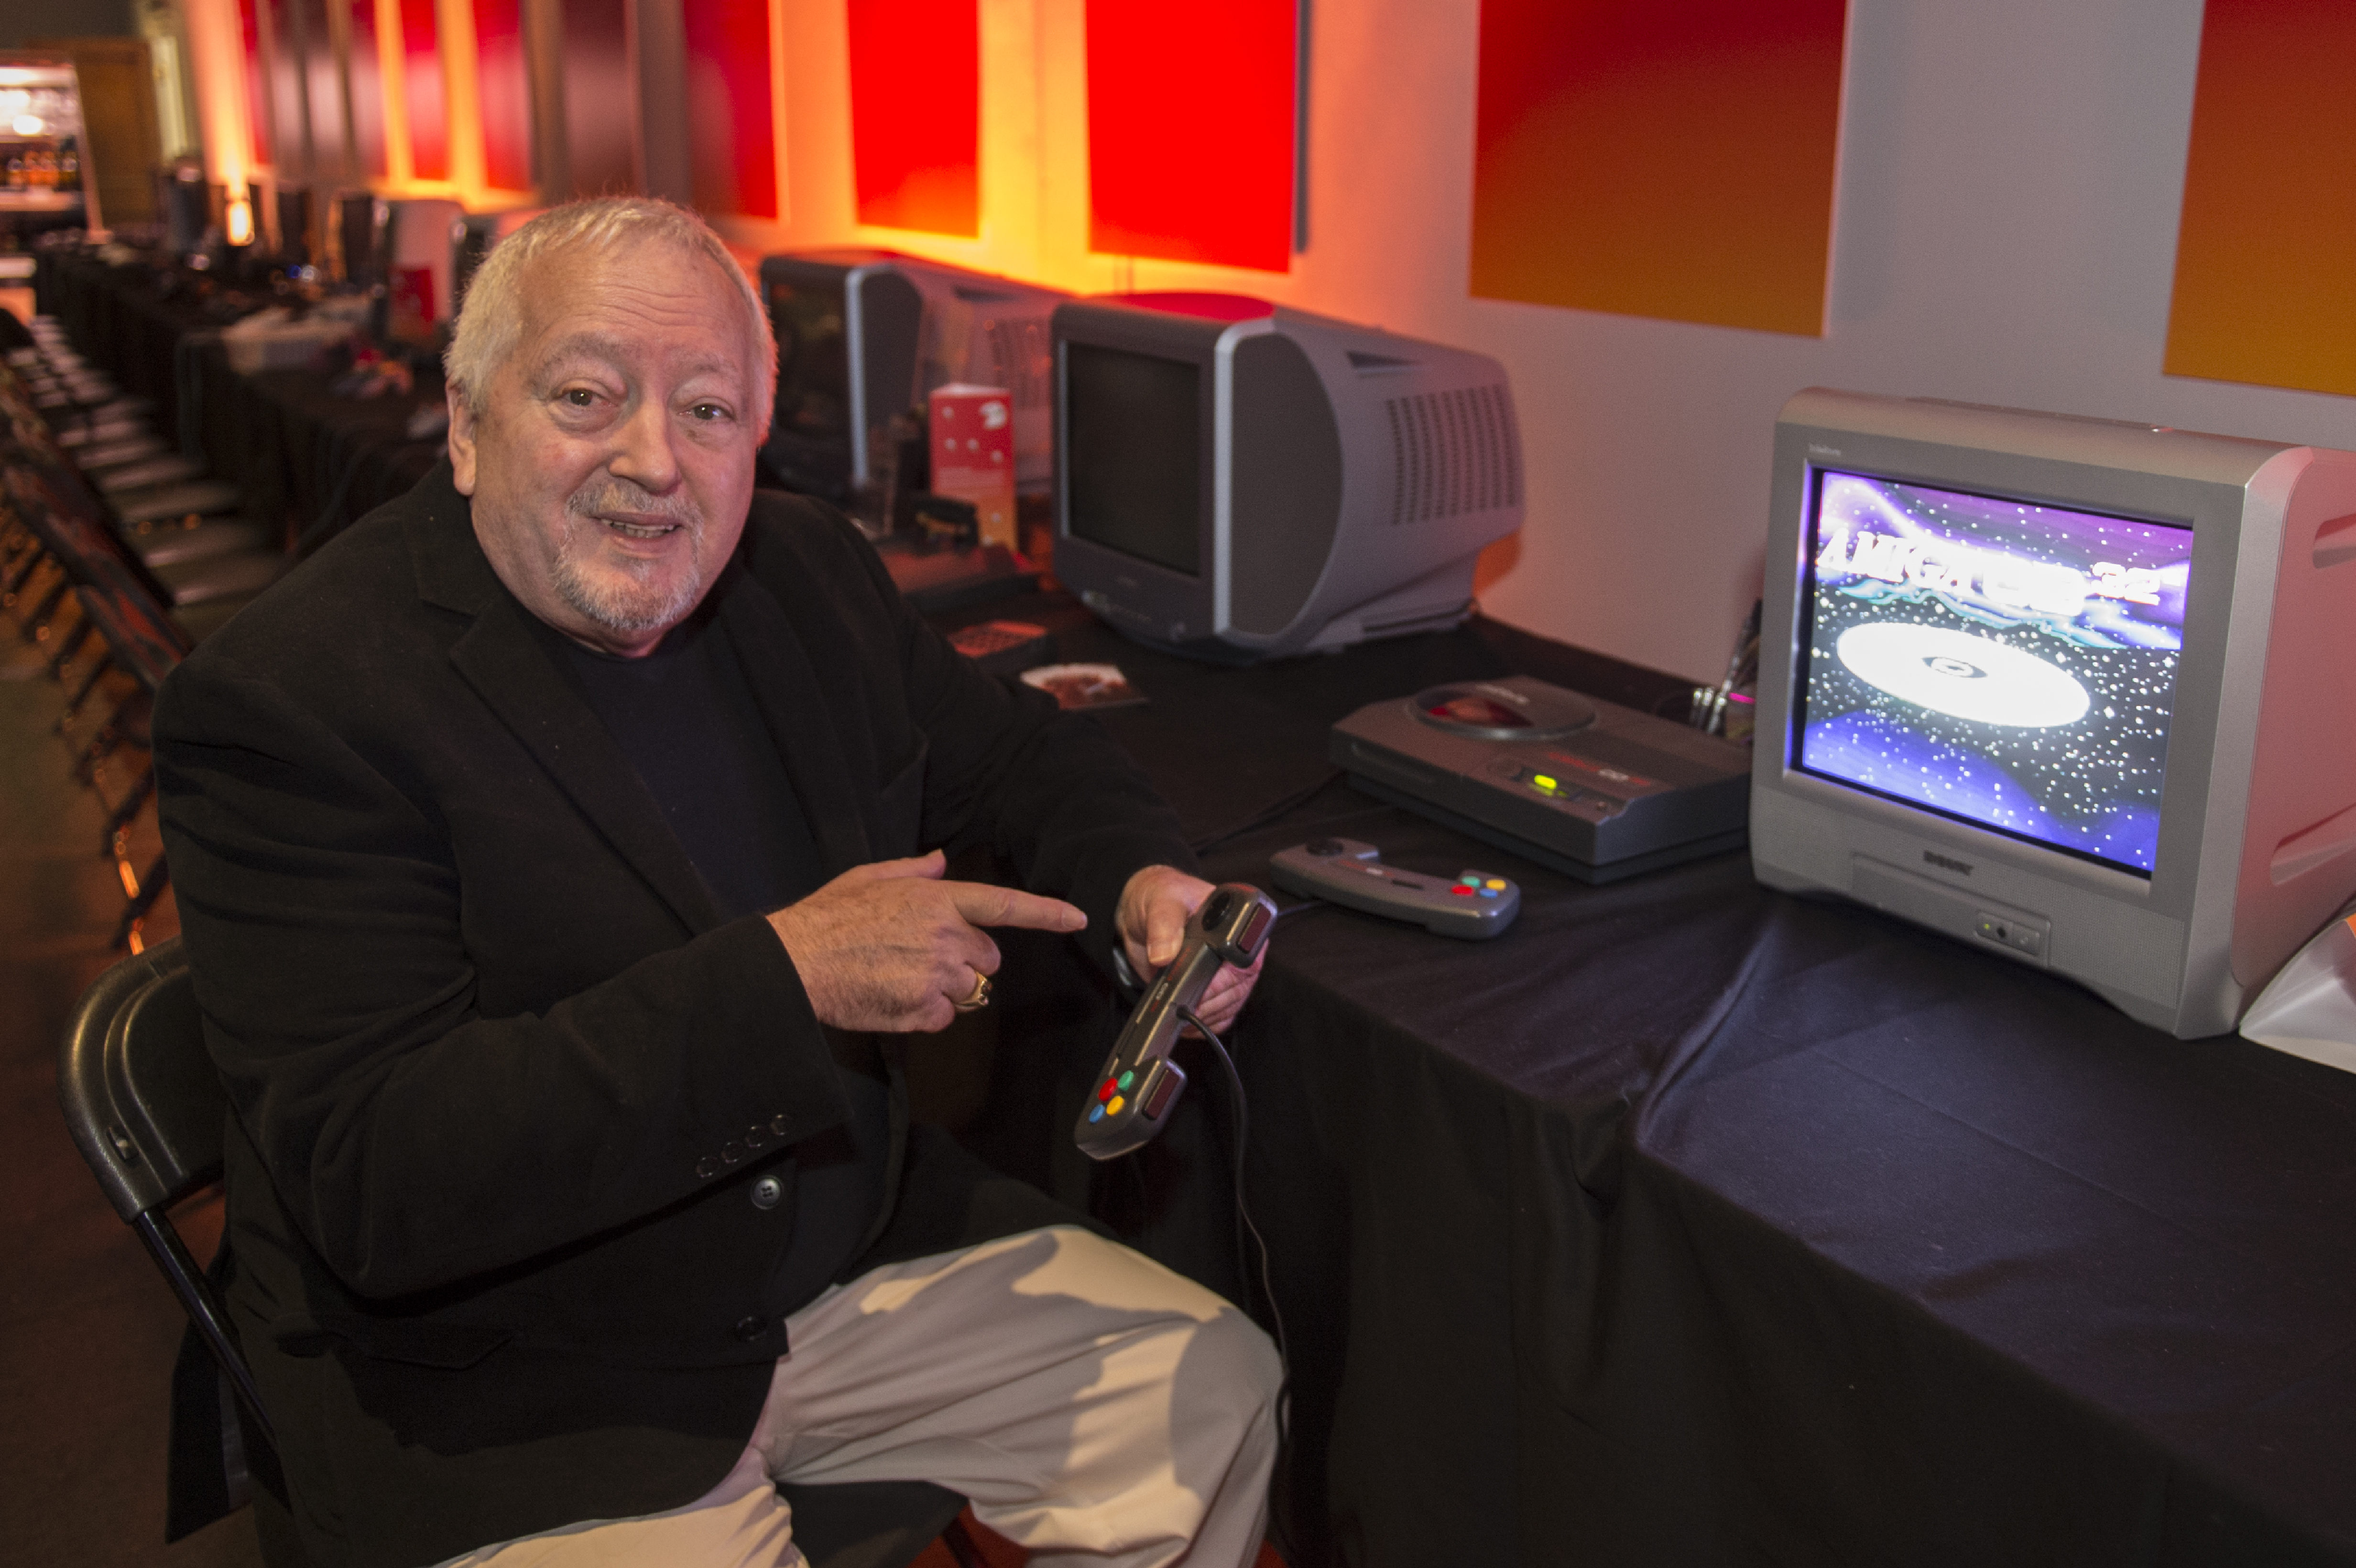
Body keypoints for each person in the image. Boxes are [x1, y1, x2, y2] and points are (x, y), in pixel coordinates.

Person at [153, 197, 1280, 1568]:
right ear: (464, 423)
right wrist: (786, 977)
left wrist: (1139, 876)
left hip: (830, 1251)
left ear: (758, 436)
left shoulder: (798, 570)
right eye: (585, 396)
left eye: (705, 411)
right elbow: (383, 1180)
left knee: (1212, 1393)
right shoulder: (292, 700)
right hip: (514, 1377)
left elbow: (1014, 759)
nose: (652, 462)